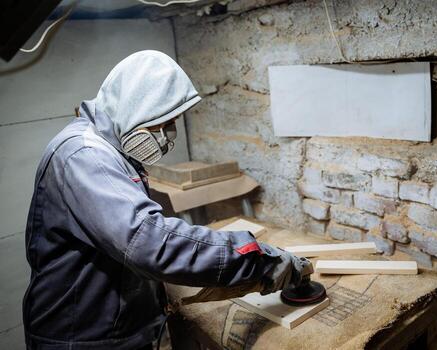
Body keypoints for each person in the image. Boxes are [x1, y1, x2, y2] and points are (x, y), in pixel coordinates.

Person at [23, 50, 312, 350]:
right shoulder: (84, 155)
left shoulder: (111, 149)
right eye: (165, 122)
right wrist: (260, 260)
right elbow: (151, 243)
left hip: (113, 329)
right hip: (81, 341)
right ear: (138, 107)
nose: (168, 136)